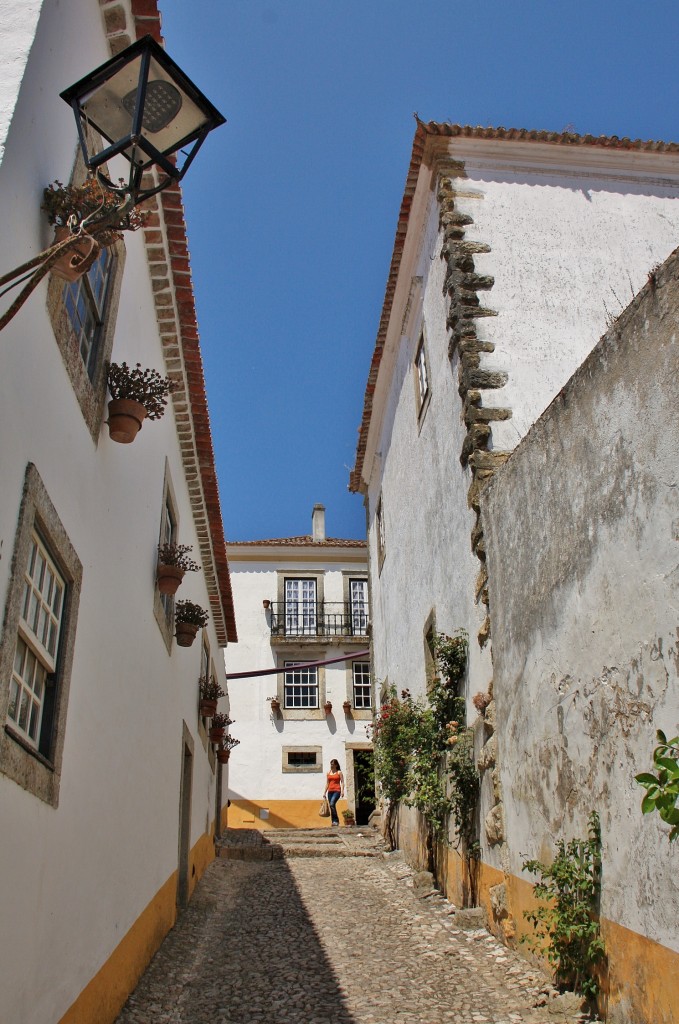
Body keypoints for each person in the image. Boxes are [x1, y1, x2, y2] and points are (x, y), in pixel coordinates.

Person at [323, 758, 345, 826]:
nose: (331, 765)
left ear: (336, 765)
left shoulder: (339, 772)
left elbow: (342, 782)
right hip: (330, 791)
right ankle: (334, 822)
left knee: (332, 804)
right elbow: (327, 783)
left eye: (332, 764)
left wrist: (342, 791)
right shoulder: (328, 773)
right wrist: (324, 792)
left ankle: (336, 820)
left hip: (337, 791)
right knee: (331, 806)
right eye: (331, 764)